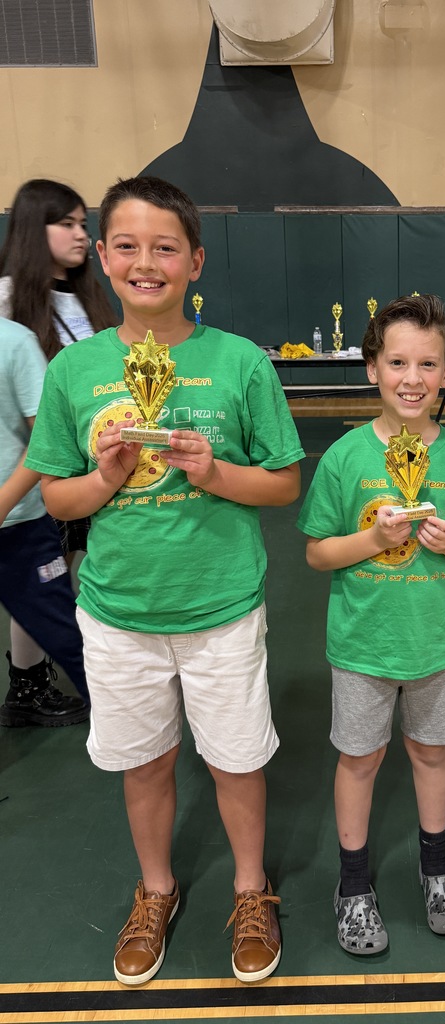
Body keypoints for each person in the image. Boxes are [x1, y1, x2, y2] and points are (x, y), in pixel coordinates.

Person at [25, 175, 304, 985]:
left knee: (235, 760)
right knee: (144, 763)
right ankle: (156, 890)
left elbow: (283, 483)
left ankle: (252, 890)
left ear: (196, 261)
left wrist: (214, 473)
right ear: (105, 260)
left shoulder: (239, 362)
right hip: (119, 612)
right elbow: (56, 495)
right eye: (127, 245)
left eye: (165, 247)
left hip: (221, 607)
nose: (146, 262)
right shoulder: (77, 370)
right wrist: (108, 477)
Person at [298, 293, 445, 955]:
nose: (411, 377)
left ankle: (437, 865)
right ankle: (353, 882)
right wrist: (372, 541)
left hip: (437, 644)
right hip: (362, 645)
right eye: (397, 362)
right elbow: (317, 550)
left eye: (427, 363)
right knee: (359, 759)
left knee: (430, 751)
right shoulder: (345, 458)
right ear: (371, 369)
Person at [0, 179, 116, 691]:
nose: (78, 234)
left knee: (66, 571)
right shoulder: (8, 305)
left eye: (83, 224)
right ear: (31, 228)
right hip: (37, 470)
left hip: (96, 464)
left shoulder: (89, 298)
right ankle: (28, 681)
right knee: (40, 579)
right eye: (65, 223)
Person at [0, 315, 89, 726]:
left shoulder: (15, 342)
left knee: (61, 623)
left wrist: (3, 502)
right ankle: (25, 693)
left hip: (19, 523)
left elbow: (44, 436)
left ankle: (123, 710)